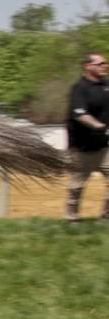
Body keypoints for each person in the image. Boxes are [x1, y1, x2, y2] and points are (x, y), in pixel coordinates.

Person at [65, 52, 109, 221]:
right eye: (100, 63)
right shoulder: (80, 88)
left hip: (104, 145)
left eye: (105, 63)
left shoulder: (106, 84)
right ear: (88, 66)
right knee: (78, 184)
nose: (104, 66)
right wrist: (99, 126)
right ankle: (72, 217)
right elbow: (79, 113)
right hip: (82, 147)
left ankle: (106, 217)